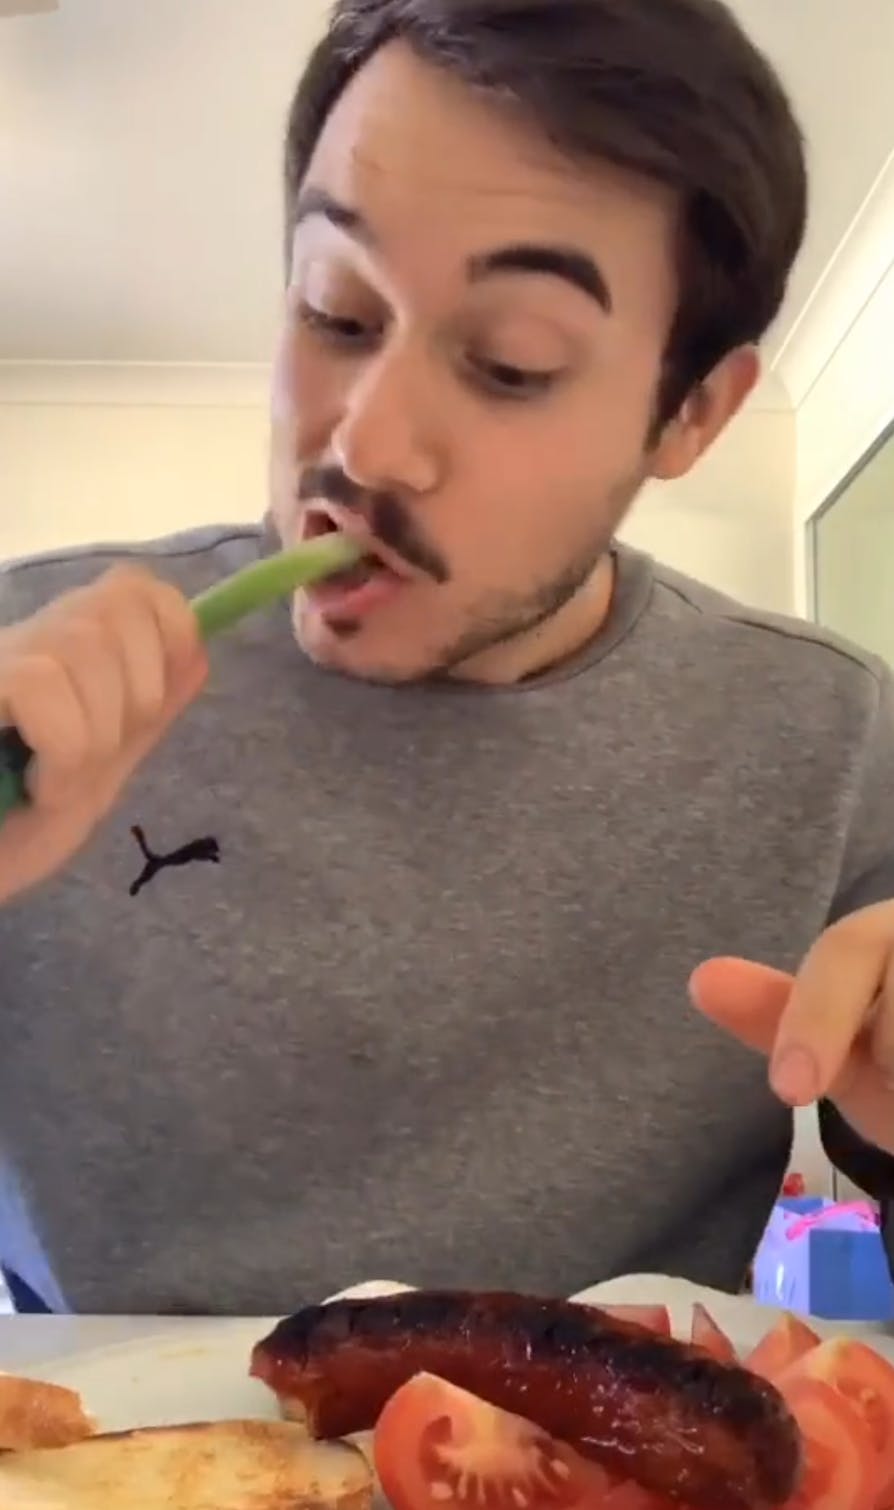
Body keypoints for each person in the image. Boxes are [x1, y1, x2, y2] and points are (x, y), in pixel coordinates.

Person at [1, 0, 893, 1317]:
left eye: (507, 362)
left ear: (692, 412)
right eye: (336, 312)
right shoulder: (25, 685)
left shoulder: (835, 744)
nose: (364, 446)